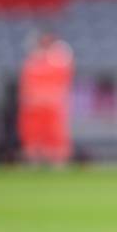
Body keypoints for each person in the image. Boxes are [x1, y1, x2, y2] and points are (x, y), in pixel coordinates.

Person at [18, 33, 74, 166]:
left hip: (52, 106)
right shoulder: (32, 60)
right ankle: (34, 162)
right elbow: (27, 85)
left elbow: (62, 82)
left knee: (55, 135)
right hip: (34, 106)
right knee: (33, 135)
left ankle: (58, 164)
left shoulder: (59, 58)